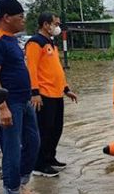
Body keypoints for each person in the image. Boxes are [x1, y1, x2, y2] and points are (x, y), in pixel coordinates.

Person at [0, 0, 39, 194]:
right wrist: (2, 106)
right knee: (12, 148)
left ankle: (22, 182)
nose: (23, 20)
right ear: (6, 17)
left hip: (24, 100)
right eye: (20, 16)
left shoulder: (11, 38)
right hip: (10, 103)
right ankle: (12, 192)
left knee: (34, 143)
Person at [25, 12, 78, 177]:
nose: (57, 27)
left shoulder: (51, 44)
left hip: (56, 94)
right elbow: (31, 69)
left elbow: (57, 70)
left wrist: (66, 89)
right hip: (43, 95)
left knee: (56, 129)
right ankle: (39, 164)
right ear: (46, 25)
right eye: (56, 24)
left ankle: (50, 158)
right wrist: (34, 93)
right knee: (44, 130)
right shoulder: (35, 43)